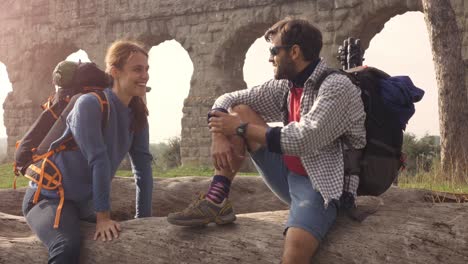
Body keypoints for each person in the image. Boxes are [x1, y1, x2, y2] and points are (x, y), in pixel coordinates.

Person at [167, 18, 366, 263]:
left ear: (294, 52)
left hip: (322, 185)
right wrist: (219, 133)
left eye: (274, 51)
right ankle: (216, 199)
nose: (269, 58)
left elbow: (304, 139)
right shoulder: (286, 86)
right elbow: (227, 97)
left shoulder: (336, 87)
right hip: (286, 172)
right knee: (239, 108)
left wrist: (239, 128)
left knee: (294, 255)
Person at [22, 40, 154, 264]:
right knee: (66, 247)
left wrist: (145, 220)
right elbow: (99, 161)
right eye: (137, 69)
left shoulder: (136, 113)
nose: (145, 75)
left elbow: (142, 169)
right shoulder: (89, 104)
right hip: (49, 198)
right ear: (115, 72)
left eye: (146, 69)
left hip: (85, 202)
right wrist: (103, 218)